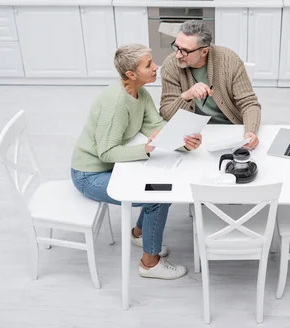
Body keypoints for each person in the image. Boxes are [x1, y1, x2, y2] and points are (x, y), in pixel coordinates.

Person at [70, 44, 202, 280]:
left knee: (161, 187)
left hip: (112, 167)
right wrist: (147, 149)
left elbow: (155, 125)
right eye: (148, 65)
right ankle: (149, 264)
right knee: (157, 198)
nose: (156, 67)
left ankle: (140, 234)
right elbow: (106, 153)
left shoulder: (140, 93)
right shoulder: (116, 105)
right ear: (130, 74)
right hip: (89, 174)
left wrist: (184, 141)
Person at [159, 20, 261, 150]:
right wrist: (186, 96)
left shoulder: (230, 60)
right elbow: (166, 115)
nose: (178, 55)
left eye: (185, 51)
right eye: (177, 47)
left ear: (204, 51)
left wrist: (251, 131)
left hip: (230, 129)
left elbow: (249, 103)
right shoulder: (170, 65)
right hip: (193, 136)